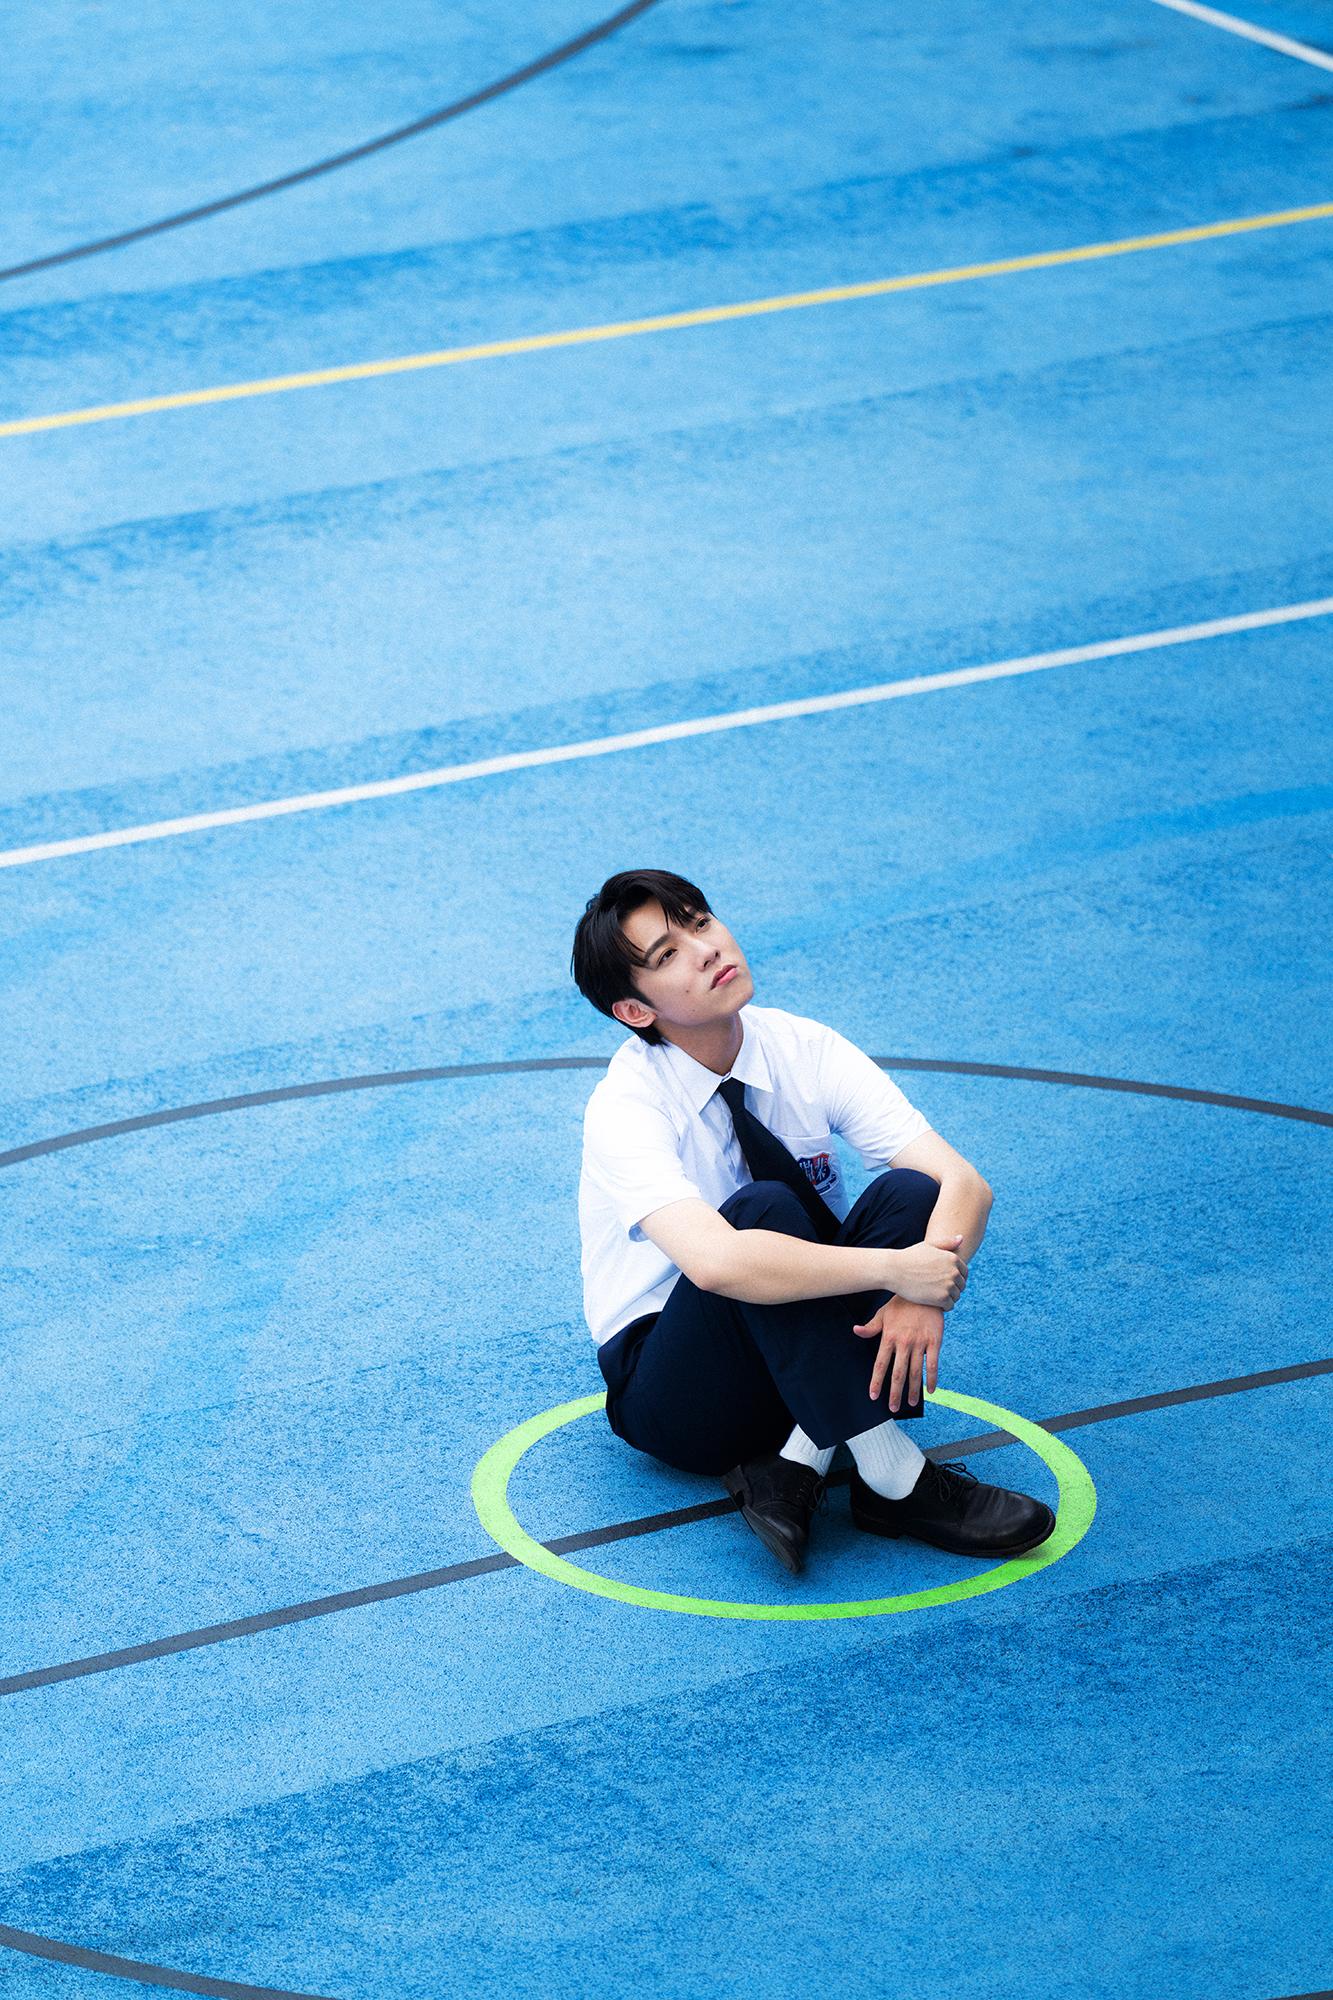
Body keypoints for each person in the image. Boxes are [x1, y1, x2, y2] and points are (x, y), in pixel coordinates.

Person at [571, 868, 1055, 1576]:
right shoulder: (625, 1106)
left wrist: (920, 1295)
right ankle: (895, 1478)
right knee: (760, 1212)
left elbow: (964, 1184)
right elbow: (716, 1264)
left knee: (911, 1192)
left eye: (700, 922)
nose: (706, 949)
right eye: (668, 954)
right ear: (635, 1010)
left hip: (803, 1351)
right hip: (680, 1387)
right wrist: (899, 1271)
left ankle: (800, 1457)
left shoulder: (802, 1046)